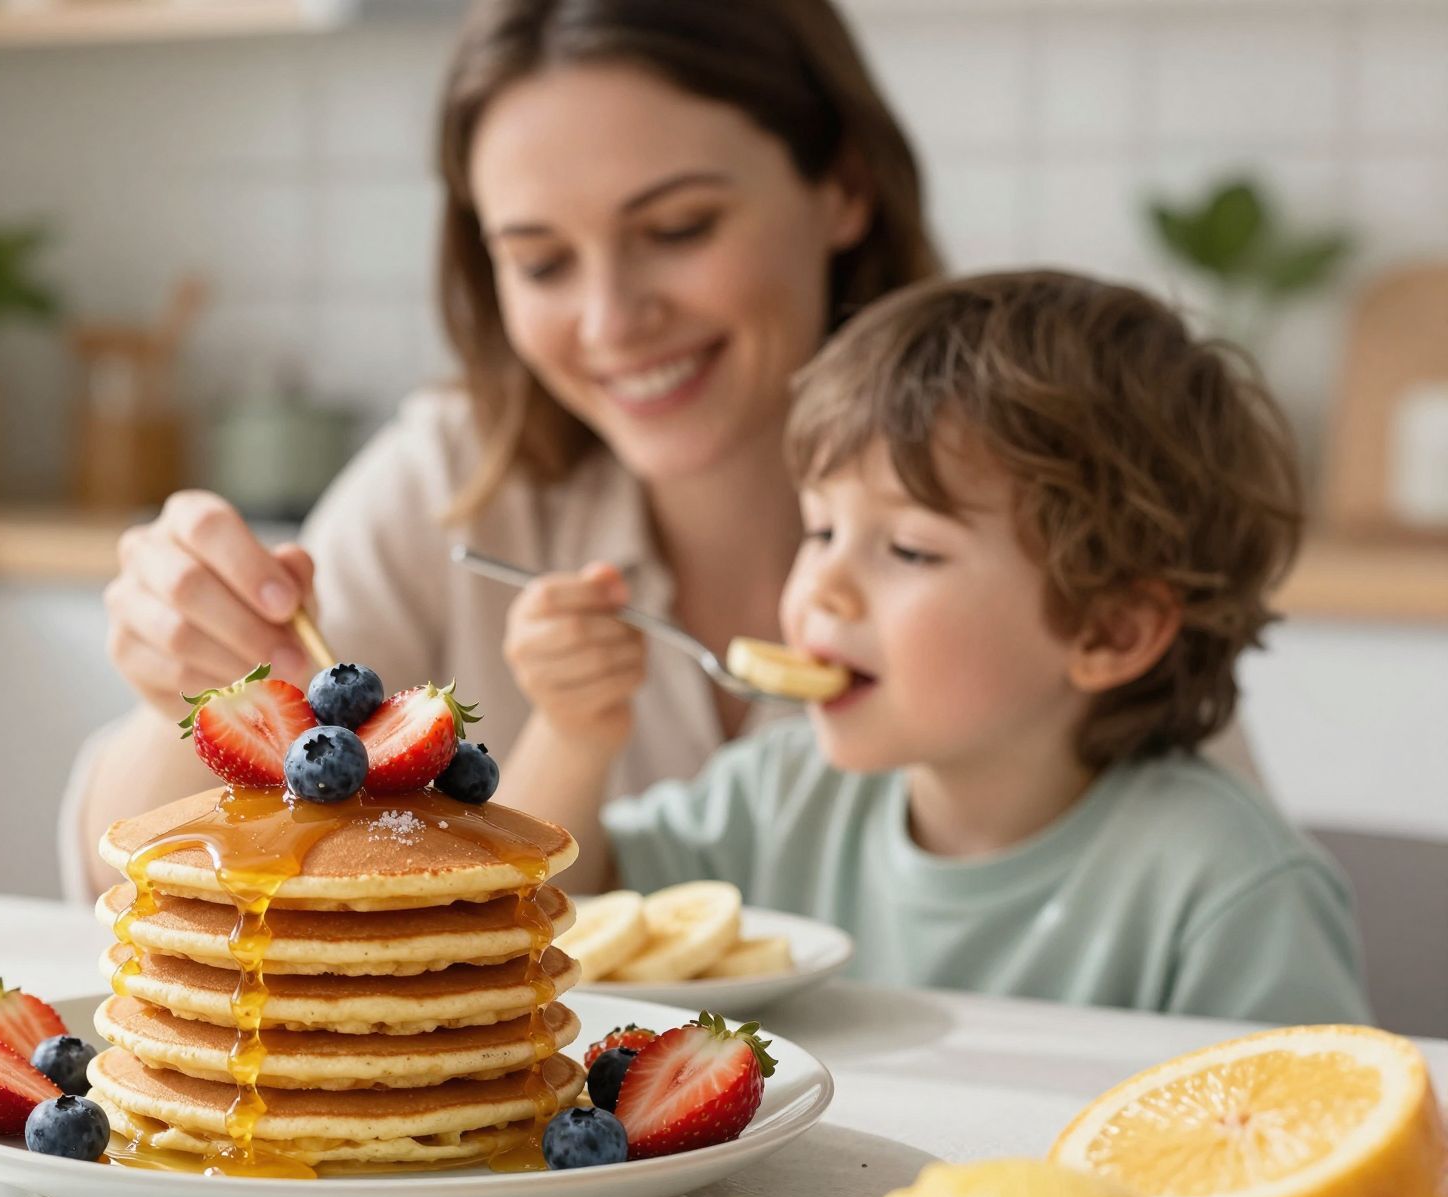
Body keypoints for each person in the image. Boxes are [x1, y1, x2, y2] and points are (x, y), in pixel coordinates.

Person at [61, 0, 938, 899]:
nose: (611, 322)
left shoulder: (1007, 490)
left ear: (846, 186)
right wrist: (183, 693)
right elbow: (116, 883)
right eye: (543, 263)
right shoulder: (454, 480)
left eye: (679, 229)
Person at [528, 271, 1369, 1025]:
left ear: (1108, 631)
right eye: (820, 529)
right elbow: (536, 919)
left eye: (910, 550)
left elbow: (1317, 1143)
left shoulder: (1228, 889)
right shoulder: (781, 795)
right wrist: (572, 735)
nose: (822, 586)